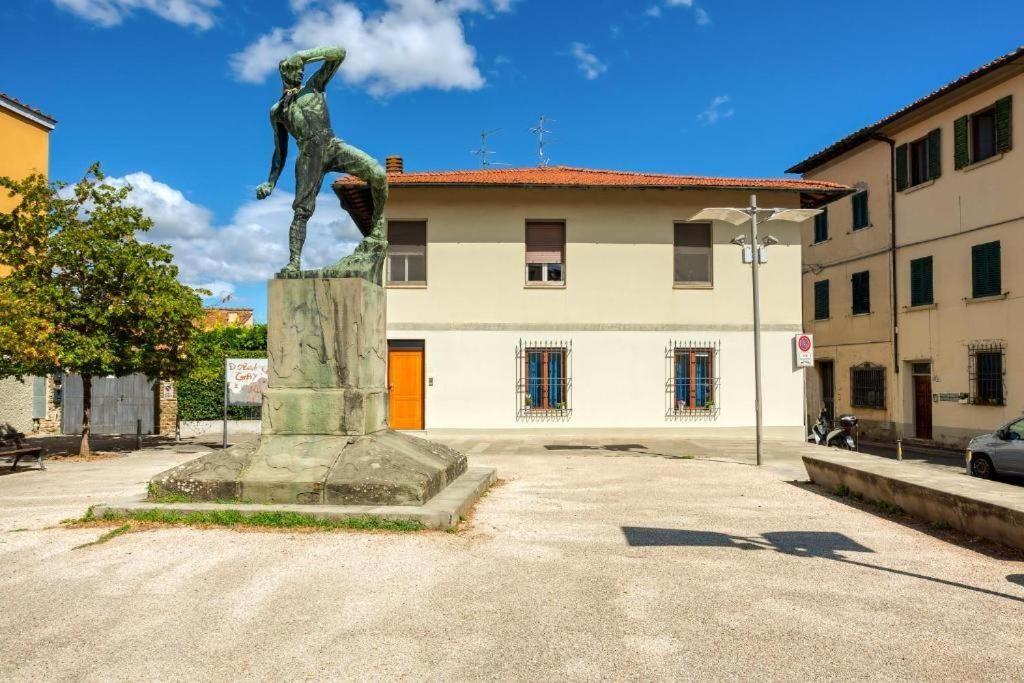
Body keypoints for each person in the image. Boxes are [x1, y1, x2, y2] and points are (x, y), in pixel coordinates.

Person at [256, 46, 388, 280]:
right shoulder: (277, 111)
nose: (299, 72)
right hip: (308, 154)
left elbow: (339, 52)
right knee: (302, 210)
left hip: (332, 144)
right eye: (293, 69)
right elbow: (280, 150)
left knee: (378, 174)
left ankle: (377, 228)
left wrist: (304, 55)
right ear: (283, 73)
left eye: (300, 68)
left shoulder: (315, 86)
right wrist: (270, 182)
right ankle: (294, 262)